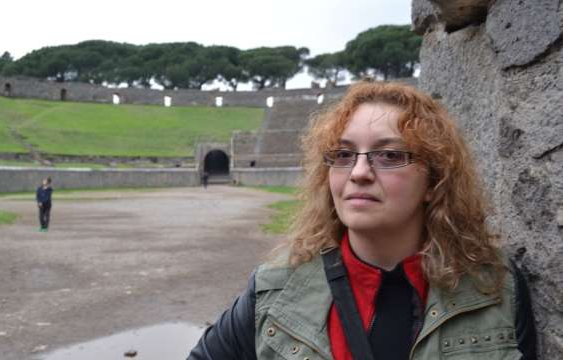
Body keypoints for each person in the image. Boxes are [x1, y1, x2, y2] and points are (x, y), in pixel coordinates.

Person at [188, 82, 536, 360]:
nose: (359, 172)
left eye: (389, 155)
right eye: (343, 154)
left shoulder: (496, 286)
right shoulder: (273, 289)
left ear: (434, 180)